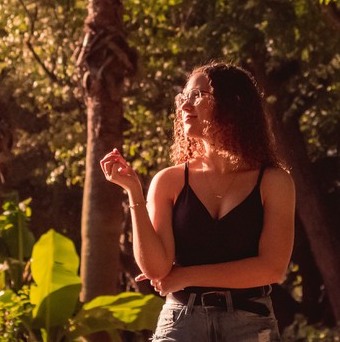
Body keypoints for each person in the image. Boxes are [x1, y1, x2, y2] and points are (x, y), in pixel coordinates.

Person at [101, 62, 296, 342]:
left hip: (250, 324)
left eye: (197, 95)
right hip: (181, 323)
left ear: (233, 104)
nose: (184, 105)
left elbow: (271, 269)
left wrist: (185, 276)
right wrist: (133, 191)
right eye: (183, 97)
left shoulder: (274, 181)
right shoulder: (169, 181)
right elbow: (156, 270)